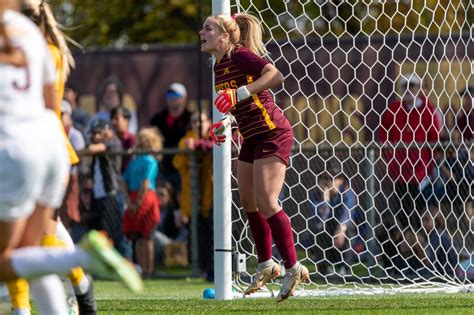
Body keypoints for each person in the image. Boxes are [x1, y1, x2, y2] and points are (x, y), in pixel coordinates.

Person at [0, 3, 142, 315]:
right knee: (36, 246)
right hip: (51, 148)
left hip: (13, 151)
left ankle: (80, 260)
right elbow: (52, 106)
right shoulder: (35, 40)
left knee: (10, 259)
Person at [200, 12, 309, 301]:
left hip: (273, 132)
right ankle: (266, 264)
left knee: (267, 201)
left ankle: (293, 267)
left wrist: (242, 92)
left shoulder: (241, 56)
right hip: (251, 135)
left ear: (224, 36)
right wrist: (223, 124)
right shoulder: (219, 66)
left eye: (207, 28)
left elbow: (275, 75)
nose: (201, 32)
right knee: (248, 201)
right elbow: (238, 107)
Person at [9, 1, 96, 314]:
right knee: (42, 232)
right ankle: (79, 280)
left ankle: (77, 270)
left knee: (18, 242)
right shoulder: (50, 51)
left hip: (22, 150)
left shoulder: (19, 50)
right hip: (52, 149)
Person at [379, 73, 441, 232]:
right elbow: (384, 132)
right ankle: (406, 246)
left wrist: (430, 161)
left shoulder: (427, 109)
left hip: (420, 171)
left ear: (418, 88)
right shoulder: (394, 108)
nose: (408, 89)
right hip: (399, 171)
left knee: (421, 211)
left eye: (412, 86)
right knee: (402, 211)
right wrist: (389, 158)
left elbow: (434, 136)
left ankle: (420, 245)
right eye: (405, 86)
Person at [173, 111, 214, 280]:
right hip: (193, 193)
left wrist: (200, 144)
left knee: (212, 232)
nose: (198, 125)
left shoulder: (214, 137)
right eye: (194, 121)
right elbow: (178, 162)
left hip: (210, 193)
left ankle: (213, 268)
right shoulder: (185, 140)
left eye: (201, 121)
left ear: (209, 122)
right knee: (196, 234)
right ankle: (200, 268)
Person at [83, 120, 132, 259]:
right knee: (103, 232)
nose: (94, 136)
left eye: (97, 133)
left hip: (112, 193)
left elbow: (93, 149)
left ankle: (126, 263)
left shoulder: (113, 142)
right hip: (100, 195)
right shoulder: (99, 145)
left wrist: (72, 152)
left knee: (117, 233)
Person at [122, 128, 163, 277]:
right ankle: (149, 269)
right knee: (148, 237)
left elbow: (123, 181)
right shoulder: (151, 161)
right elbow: (146, 182)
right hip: (147, 197)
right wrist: (139, 202)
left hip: (132, 196)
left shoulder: (133, 161)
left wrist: (129, 201)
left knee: (137, 236)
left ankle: (141, 270)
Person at [149, 82, 192, 196]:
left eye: (176, 96)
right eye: (170, 96)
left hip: (184, 169)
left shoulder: (191, 119)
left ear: (184, 98)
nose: (172, 99)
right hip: (162, 169)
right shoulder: (158, 119)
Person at [111, 106, 136, 173]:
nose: (113, 122)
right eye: (112, 119)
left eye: (116, 119)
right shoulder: (109, 141)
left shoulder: (131, 139)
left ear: (126, 120)